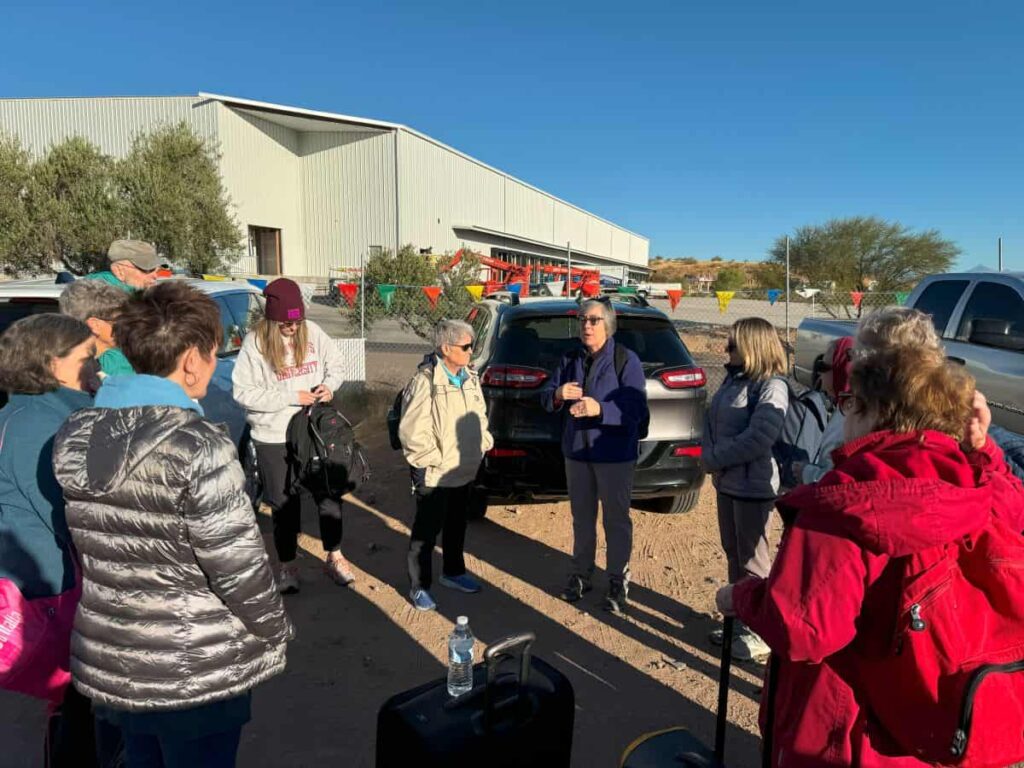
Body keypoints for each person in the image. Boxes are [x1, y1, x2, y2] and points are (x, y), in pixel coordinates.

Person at [717, 308, 1024, 766]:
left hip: (846, 730)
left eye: (849, 403)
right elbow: (1012, 512)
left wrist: (740, 597)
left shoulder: (847, 503)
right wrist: (985, 452)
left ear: (870, 405)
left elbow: (803, 630)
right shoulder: (973, 479)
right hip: (935, 727)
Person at [53, 281, 292, 768]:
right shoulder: (198, 446)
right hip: (194, 667)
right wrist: (274, 629)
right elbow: (237, 567)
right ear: (190, 360)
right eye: (210, 352)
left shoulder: (75, 433)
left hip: (118, 659)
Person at [0, 314, 100, 766]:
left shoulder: (24, 413)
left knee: (78, 703)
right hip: (55, 587)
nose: (96, 367)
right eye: (87, 358)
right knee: (79, 704)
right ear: (50, 363)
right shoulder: (43, 427)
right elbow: (69, 517)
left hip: (50, 580)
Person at [232, 277, 352, 593]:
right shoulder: (254, 343)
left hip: (312, 428)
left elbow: (337, 365)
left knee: (328, 493)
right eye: (286, 323)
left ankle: (335, 556)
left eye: (297, 322)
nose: (293, 328)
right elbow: (243, 393)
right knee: (284, 503)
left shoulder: (312, 332)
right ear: (272, 319)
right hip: (272, 434)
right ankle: (287, 566)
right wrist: (290, 396)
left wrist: (330, 385)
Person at [541, 298, 647, 614]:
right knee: (581, 518)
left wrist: (601, 409)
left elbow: (636, 409)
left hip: (614, 453)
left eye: (593, 320)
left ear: (608, 325)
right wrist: (558, 395)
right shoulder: (570, 358)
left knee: (615, 520)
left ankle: (617, 579)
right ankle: (581, 574)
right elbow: (546, 397)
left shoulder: (626, 360)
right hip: (576, 452)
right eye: (582, 319)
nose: (586, 325)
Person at [701, 317, 788, 660]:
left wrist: (715, 458)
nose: (727, 349)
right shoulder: (732, 381)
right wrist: (711, 456)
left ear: (753, 346)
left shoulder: (772, 386)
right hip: (728, 484)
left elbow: (759, 438)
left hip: (754, 487)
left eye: (733, 344)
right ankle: (739, 618)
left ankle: (760, 632)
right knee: (734, 554)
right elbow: (712, 419)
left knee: (754, 560)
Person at [399, 319, 493, 612]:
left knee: (456, 525)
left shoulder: (470, 376)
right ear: (445, 348)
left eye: (472, 345)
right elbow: (412, 431)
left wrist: (484, 441)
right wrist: (432, 460)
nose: (471, 351)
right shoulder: (425, 381)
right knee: (426, 532)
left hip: (463, 469)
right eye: (466, 346)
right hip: (436, 473)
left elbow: (479, 413)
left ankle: (453, 572)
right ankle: (419, 586)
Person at [792, 336, 852, 485]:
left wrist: (807, 473)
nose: (819, 374)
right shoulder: (842, 406)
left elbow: (846, 478)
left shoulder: (857, 417)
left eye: (823, 367)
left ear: (842, 369)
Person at [59, 279, 134, 378]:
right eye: (122, 320)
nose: (130, 326)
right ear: (95, 325)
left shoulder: (59, 363)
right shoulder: (89, 377)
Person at [84, 239, 163, 292]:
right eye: (147, 269)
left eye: (157, 269)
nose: (155, 276)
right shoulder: (98, 296)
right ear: (119, 270)